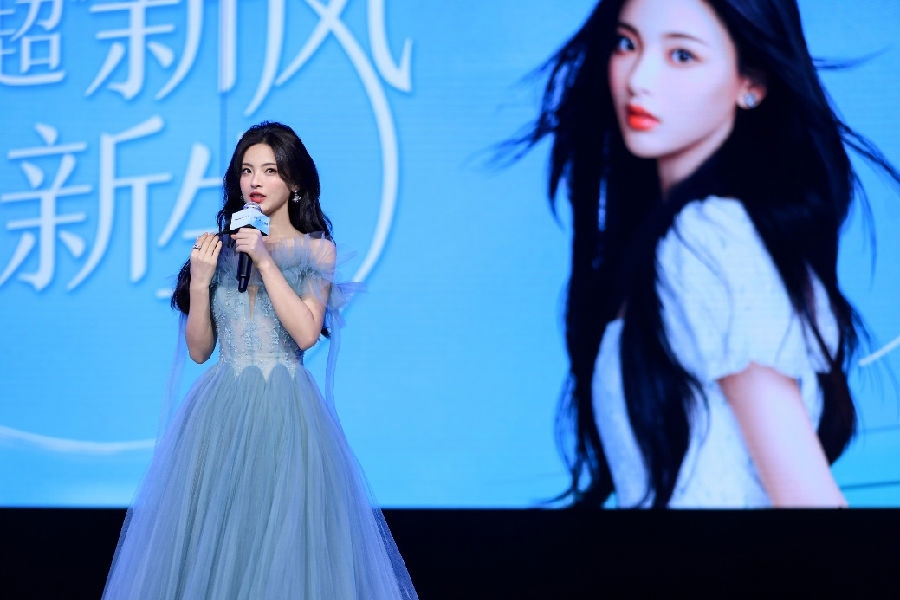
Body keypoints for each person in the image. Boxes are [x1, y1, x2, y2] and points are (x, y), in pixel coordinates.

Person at [512, 0, 899, 508]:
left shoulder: (710, 240)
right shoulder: (676, 237)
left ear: (751, 82)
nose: (639, 79)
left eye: (682, 55)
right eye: (627, 44)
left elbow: (810, 504)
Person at [102, 121, 418, 598]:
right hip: (220, 414)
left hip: (285, 414)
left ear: (295, 182)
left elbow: (306, 333)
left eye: (270, 170)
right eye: (247, 170)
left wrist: (266, 261)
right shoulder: (220, 249)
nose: (255, 181)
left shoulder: (318, 251)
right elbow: (199, 351)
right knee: (212, 549)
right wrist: (202, 281)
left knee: (282, 549)